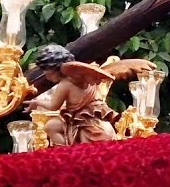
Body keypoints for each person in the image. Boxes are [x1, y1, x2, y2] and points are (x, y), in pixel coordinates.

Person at [25, 45, 157, 146]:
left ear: (57, 68)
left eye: (47, 73)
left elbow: (53, 106)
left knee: (50, 126)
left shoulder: (65, 85)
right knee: (53, 125)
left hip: (85, 125)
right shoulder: (88, 78)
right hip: (93, 120)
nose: (46, 77)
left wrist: (37, 103)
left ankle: (66, 153)